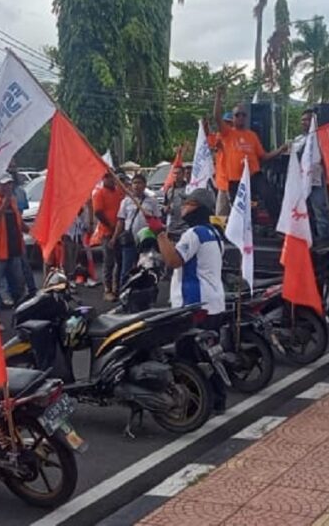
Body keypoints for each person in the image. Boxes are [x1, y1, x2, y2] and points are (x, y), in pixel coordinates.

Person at [156, 188, 227, 412]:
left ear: (197, 208)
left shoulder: (193, 234)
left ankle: (194, 406)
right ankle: (218, 400)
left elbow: (173, 261)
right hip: (215, 304)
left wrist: (160, 235)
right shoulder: (214, 234)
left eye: (188, 203)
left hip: (194, 305)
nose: (183, 207)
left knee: (188, 359)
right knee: (209, 355)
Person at [213, 87, 288, 216]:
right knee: (238, 209)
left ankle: (278, 226)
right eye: (237, 115)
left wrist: (280, 150)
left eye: (243, 115)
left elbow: (263, 156)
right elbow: (217, 117)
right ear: (234, 118)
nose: (241, 117)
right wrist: (218, 96)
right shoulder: (227, 133)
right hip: (235, 179)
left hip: (253, 175)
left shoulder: (252, 135)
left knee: (269, 194)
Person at [0, 174, 27, 308]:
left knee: (18, 281)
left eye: (9, 184)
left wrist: (33, 232)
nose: (7, 187)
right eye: (4, 184)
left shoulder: (12, 200)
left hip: (14, 248)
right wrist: (3, 205)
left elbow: (18, 221)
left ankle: (19, 306)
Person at [116, 173, 163, 283]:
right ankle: (124, 293)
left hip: (146, 240)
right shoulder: (126, 201)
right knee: (126, 269)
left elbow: (158, 220)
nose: (137, 186)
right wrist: (115, 238)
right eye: (134, 183)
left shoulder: (152, 201)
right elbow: (121, 221)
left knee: (146, 267)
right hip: (130, 240)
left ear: (145, 185)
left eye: (139, 183)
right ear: (131, 185)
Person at [294, 108, 329, 238]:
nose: (304, 122)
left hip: (315, 179)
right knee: (300, 211)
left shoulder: (321, 138)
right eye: (302, 120)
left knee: (320, 210)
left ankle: (324, 239)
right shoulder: (298, 139)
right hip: (300, 179)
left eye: (307, 120)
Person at [92, 172, 124, 301]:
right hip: (107, 233)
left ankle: (117, 287)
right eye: (108, 177)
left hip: (120, 231)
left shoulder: (119, 192)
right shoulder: (99, 193)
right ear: (103, 179)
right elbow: (98, 213)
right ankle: (108, 290)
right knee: (109, 262)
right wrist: (111, 226)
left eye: (112, 177)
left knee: (120, 261)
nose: (111, 179)